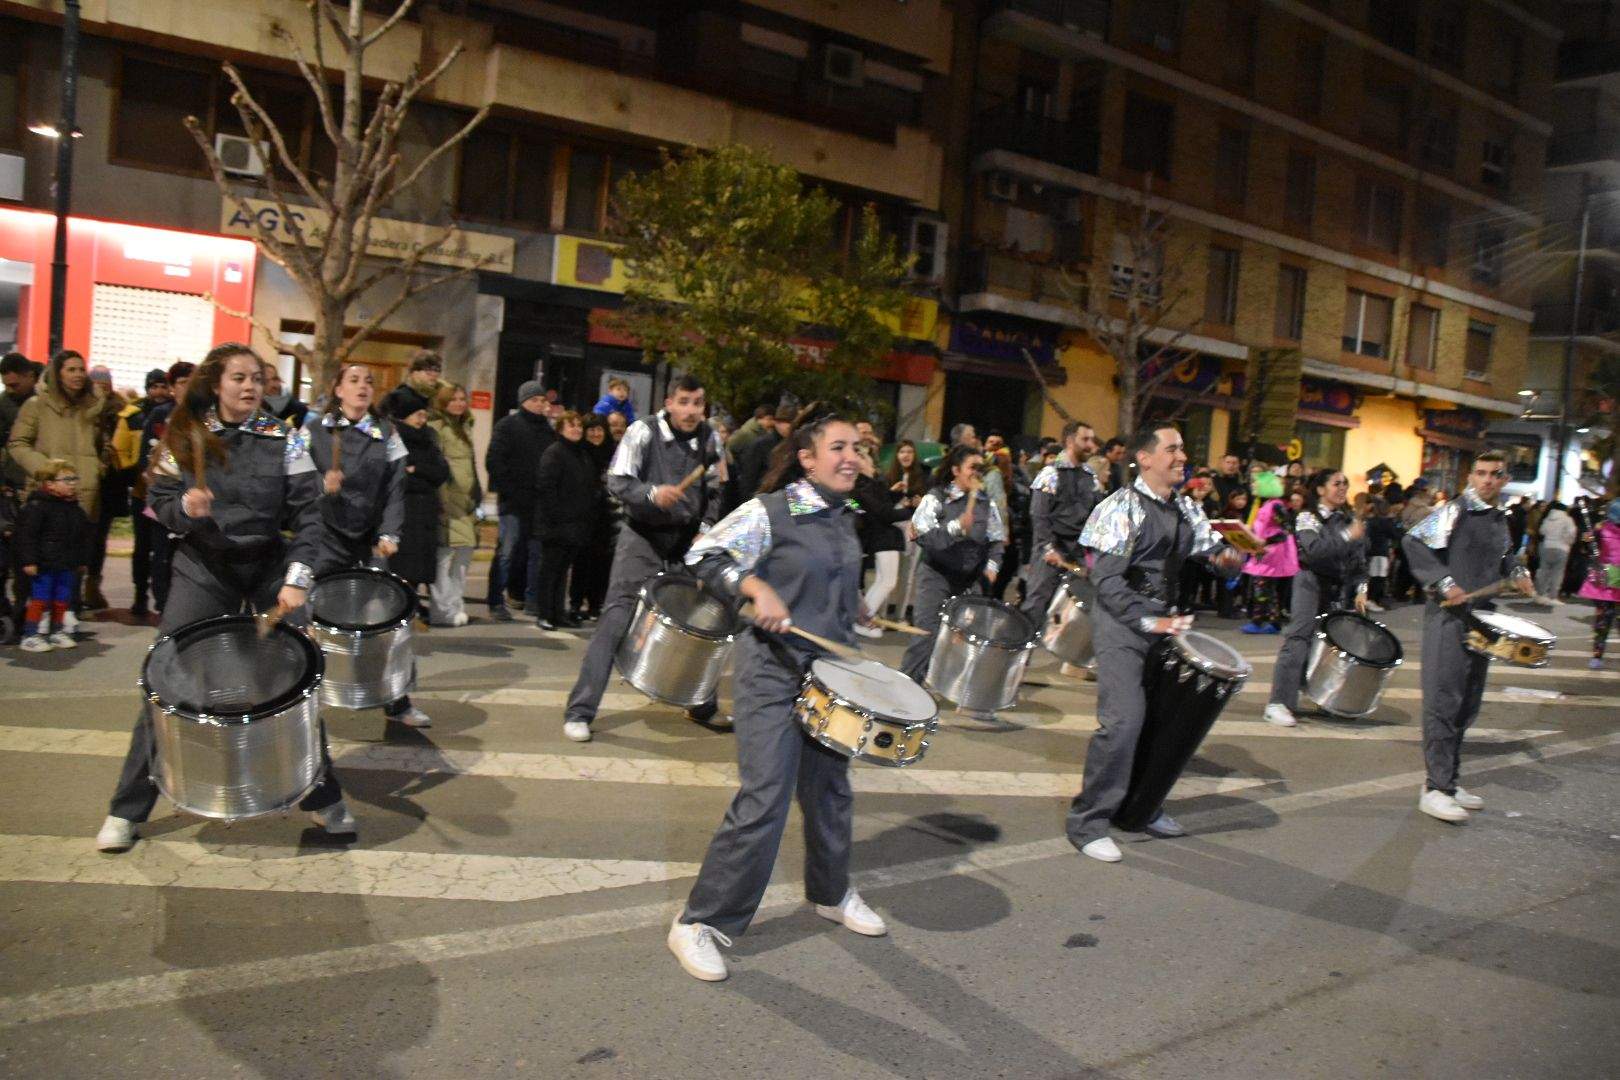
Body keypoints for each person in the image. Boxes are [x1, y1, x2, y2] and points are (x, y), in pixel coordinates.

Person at [96, 343, 353, 853]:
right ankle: (126, 810)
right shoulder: (185, 435)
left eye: (257, 378)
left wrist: (298, 577)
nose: (250, 386)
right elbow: (158, 499)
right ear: (216, 384)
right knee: (166, 679)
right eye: (239, 378)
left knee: (294, 681)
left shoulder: (285, 438)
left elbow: (309, 516)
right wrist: (184, 509)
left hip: (268, 568)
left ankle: (322, 797)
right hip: (204, 566)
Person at [668, 408, 885, 982]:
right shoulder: (771, 510)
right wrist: (755, 586)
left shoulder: (845, 515)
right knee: (765, 797)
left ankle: (831, 892)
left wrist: (853, 603)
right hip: (772, 673)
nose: (851, 457)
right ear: (807, 458)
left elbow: (822, 579)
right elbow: (704, 555)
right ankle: (699, 921)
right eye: (838, 447)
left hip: (832, 678)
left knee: (830, 791)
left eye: (857, 448)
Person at [1067, 424, 1245, 863]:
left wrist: (1230, 558)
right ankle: (1088, 822)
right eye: (1172, 449)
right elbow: (1107, 580)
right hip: (1124, 626)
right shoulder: (1119, 506)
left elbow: (1212, 555)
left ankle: (1140, 809)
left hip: (1167, 625)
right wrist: (1151, 620)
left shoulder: (1186, 507)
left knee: (1160, 724)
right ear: (1144, 458)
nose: (1182, 457)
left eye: (1182, 449)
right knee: (1123, 723)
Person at [561, 375, 726, 742]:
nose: (691, 410)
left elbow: (715, 490)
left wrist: (705, 527)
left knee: (699, 626)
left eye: (697, 403)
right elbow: (617, 481)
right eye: (684, 402)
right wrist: (652, 493)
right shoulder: (643, 431)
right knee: (615, 621)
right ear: (669, 402)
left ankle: (702, 705)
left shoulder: (710, 438)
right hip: (642, 538)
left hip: (685, 542)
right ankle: (580, 711)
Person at [1401, 450, 1534, 824]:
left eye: (1495, 473)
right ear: (1471, 476)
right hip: (1449, 619)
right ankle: (1435, 788)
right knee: (1444, 700)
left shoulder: (1499, 516)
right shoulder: (1455, 510)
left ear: (1505, 479)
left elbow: (1506, 556)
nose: (1487, 479)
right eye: (1481, 473)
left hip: (1483, 618)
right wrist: (1444, 583)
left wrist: (1518, 572)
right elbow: (1414, 542)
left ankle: (1450, 780)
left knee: (1468, 702)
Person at [304, 365, 434, 729]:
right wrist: (320, 485)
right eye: (354, 381)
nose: (362, 387)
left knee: (388, 622)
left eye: (369, 382)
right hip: (326, 538)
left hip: (370, 540)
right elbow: (293, 480)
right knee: (309, 622)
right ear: (338, 389)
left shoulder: (387, 432)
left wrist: (390, 533)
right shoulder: (313, 430)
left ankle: (397, 701)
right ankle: (306, 700)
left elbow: (396, 489)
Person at [1263, 470, 1370, 728]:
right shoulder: (1307, 517)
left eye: (1345, 484)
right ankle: (1279, 703)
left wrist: (1362, 588)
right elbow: (1314, 551)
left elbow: (1359, 560)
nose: (1342, 488)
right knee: (1298, 638)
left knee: (1332, 644)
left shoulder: (1349, 520)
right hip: (1309, 581)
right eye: (1336, 483)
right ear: (1321, 490)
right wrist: (1347, 536)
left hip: (1337, 587)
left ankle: (1326, 698)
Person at [899, 443, 1006, 685]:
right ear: (956, 470)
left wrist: (991, 567)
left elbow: (996, 540)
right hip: (936, 575)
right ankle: (907, 688)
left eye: (981, 468)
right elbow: (923, 536)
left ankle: (955, 691)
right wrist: (956, 527)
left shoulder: (986, 503)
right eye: (972, 467)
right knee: (926, 635)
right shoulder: (935, 498)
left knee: (967, 640)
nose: (977, 473)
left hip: (970, 579)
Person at [6, 349, 109, 539]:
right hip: (47, 494)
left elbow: (102, 444)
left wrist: (98, 468)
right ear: (57, 374)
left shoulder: (93, 407)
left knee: (79, 552)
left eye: (81, 369)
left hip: (86, 496)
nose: (78, 374)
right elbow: (17, 443)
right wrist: (48, 470)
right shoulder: (36, 405)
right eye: (71, 370)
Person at [1018, 419, 1101, 628]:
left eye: (1091, 440)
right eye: (1085, 439)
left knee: (1071, 615)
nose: (1091, 445)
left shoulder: (1090, 477)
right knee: (1036, 607)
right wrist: (1048, 549)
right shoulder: (1050, 473)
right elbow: (1039, 516)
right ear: (1070, 441)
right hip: (1050, 552)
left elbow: (1096, 516)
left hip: (1078, 554)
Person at [484, 380, 555, 620]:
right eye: (534, 400)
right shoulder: (507, 426)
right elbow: (494, 462)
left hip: (539, 504)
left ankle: (532, 600)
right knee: (507, 552)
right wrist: (511, 491)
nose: (539, 404)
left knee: (536, 555)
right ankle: (496, 601)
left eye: (542, 400)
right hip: (513, 503)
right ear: (523, 401)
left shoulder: (548, 431)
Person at [138, 360, 195, 617]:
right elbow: (146, 457)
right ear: (172, 386)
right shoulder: (160, 415)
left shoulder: (208, 416)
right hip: (163, 495)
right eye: (182, 382)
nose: (188, 387)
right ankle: (163, 605)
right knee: (161, 553)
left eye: (193, 381)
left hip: (194, 498)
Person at [533, 410, 599, 630]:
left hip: (575, 524)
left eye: (579, 426)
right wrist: (557, 517)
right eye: (572, 425)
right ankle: (544, 613)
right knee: (550, 571)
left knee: (562, 572)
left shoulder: (581, 453)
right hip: (556, 525)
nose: (577, 429)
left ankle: (557, 613)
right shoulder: (554, 452)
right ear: (561, 429)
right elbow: (546, 487)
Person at [15, 459, 90, 652]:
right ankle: (31, 634)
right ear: (49, 484)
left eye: (74, 479)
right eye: (66, 479)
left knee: (62, 598)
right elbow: (27, 536)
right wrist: (29, 561)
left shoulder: (75, 509)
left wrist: (82, 560)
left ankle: (57, 631)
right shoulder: (37, 507)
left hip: (66, 563)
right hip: (44, 563)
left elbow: (82, 538)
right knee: (40, 599)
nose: (72, 483)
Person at [390, 389, 449, 607]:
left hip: (425, 513)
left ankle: (411, 607)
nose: (423, 420)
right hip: (405, 511)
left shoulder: (429, 439)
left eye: (425, 415)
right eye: (418, 415)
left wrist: (417, 470)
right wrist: (422, 475)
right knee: (401, 568)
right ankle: (401, 609)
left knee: (418, 568)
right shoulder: (395, 438)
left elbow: (441, 472)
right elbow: (398, 477)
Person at [428, 383, 481, 627]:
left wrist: (476, 494)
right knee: (445, 558)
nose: (459, 403)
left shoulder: (465, 426)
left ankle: (455, 606)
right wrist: (442, 501)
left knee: (463, 557)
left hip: (466, 501)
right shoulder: (437, 428)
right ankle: (442, 611)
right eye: (453, 399)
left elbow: (470, 466)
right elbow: (438, 467)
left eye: (462, 399)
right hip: (448, 501)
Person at [850, 438, 911, 639]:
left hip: (883, 537)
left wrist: (894, 495)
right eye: (865, 456)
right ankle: (862, 620)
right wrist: (912, 510)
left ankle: (862, 618)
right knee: (887, 581)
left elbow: (881, 505)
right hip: (882, 537)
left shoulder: (869, 483)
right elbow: (884, 513)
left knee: (884, 581)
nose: (870, 460)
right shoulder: (862, 485)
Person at [125, 370, 172, 617]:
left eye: (163, 386)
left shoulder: (176, 413)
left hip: (163, 494)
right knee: (143, 546)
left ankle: (163, 600)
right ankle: (140, 594)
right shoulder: (137, 414)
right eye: (154, 387)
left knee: (162, 547)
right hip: (142, 492)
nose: (159, 391)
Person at [570, 414, 616, 620]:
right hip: (583, 515)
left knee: (602, 563)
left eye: (599, 430)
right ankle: (576, 603)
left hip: (607, 517)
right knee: (582, 562)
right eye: (591, 430)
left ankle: (596, 604)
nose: (596, 434)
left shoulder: (613, 453)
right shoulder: (579, 452)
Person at [1240, 473, 1296, 634]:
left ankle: (1260, 622)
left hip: (1271, 553)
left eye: (1256, 483)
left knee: (1262, 587)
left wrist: (1266, 541)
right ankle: (1270, 622)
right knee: (1265, 588)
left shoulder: (1275, 505)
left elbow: (1286, 529)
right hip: (1263, 552)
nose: (1253, 485)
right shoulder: (1266, 504)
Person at [884, 438, 929, 621]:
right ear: (897, 455)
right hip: (894, 530)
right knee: (889, 575)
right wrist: (893, 492)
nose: (906, 455)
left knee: (908, 574)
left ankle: (899, 616)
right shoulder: (889, 476)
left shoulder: (923, 477)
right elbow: (883, 504)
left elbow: (932, 504)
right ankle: (882, 615)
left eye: (910, 452)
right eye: (902, 452)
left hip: (913, 528)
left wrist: (922, 502)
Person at [1577, 500, 1620, 669]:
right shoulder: (1600, 530)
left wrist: (1587, 541)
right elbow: (1588, 548)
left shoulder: (1601, 529)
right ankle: (1596, 655)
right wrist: (1588, 541)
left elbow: (1587, 549)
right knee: (1604, 620)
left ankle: (1597, 656)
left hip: (1606, 582)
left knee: (1603, 621)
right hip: (1607, 582)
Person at [0, 351, 42, 490]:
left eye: (14, 385)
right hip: (14, 480)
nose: (9, 390)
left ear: (30, 376)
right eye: (6, 385)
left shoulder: (50, 399)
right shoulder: (4, 402)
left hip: (46, 476)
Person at [733, 403, 792, 501]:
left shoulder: (796, 442)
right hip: (766, 498)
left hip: (787, 498)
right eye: (786, 422)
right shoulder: (760, 444)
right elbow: (749, 478)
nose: (789, 426)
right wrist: (749, 501)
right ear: (776, 422)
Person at [381, 350, 442, 419]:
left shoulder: (433, 398)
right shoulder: (398, 397)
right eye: (428, 370)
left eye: (437, 370)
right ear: (414, 372)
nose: (434, 374)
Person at [1535, 501, 1576, 600]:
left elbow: (1542, 531)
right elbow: (1571, 533)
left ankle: (1540, 594)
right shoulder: (1567, 519)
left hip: (1547, 546)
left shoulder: (1548, 518)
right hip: (1561, 548)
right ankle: (1553, 596)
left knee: (1544, 571)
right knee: (1557, 573)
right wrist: (1567, 541)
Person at [261, 359, 310, 429]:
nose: (272, 385)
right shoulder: (257, 408)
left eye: (275, 379)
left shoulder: (299, 409)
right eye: (266, 381)